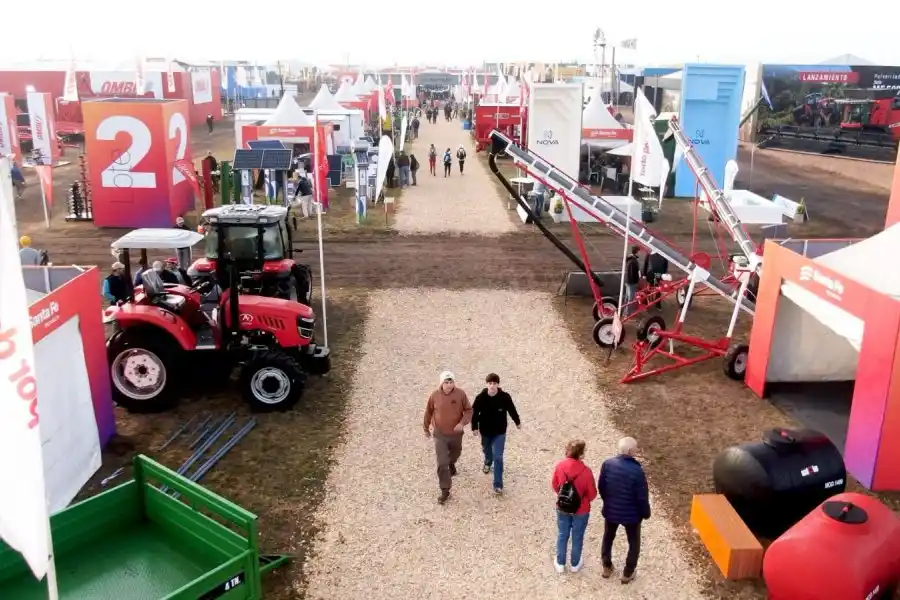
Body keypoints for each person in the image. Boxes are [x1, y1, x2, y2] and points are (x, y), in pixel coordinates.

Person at [598, 437, 651, 584]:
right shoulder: (637, 471)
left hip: (611, 511)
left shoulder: (607, 464)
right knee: (633, 542)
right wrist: (645, 513)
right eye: (636, 448)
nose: (637, 450)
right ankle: (628, 572)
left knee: (608, 537)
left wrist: (608, 502)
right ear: (630, 451)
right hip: (631, 515)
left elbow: (602, 487)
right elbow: (642, 497)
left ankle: (606, 566)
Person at [423, 370, 473, 505]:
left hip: (456, 434)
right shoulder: (434, 396)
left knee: (456, 453)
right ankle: (445, 489)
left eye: (451, 382)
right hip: (440, 434)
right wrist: (426, 428)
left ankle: (452, 463)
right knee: (441, 462)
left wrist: (462, 423)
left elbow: (469, 410)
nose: (449, 385)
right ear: (441, 383)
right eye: (446, 382)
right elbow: (428, 412)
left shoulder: (460, 394)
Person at [552, 440, 598, 574]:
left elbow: (555, 485)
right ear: (582, 453)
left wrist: (564, 496)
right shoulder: (586, 471)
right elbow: (592, 494)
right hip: (581, 510)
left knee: (562, 534)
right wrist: (582, 500)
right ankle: (575, 563)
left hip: (563, 506)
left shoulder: (560, 466)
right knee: (577, 536)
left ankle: (560, 563)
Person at [471, 373, 520, 494]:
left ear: (498, 384)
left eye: (494, 383)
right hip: (485, 432)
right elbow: (474, 413)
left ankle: (498, 484)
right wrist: (474, 427)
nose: (492, 386)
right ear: (487, 384)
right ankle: (488, 462)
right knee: (487, 451)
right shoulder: (480, 398)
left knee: (498, 456)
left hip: (499, 432)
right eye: (490, 383)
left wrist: (517, 422)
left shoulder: (505, 397)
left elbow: (512, 409)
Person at [623, 245, 641, 316]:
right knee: (631, 298)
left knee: (627, 297)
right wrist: (636, 281)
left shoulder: (630, 259)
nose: (640, 253)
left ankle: (625, 311)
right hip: (632, 283)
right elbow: (633, 273)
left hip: (628, 281)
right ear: (637, 252)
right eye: (639, 251)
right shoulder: (633, 261)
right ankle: (628, 313)